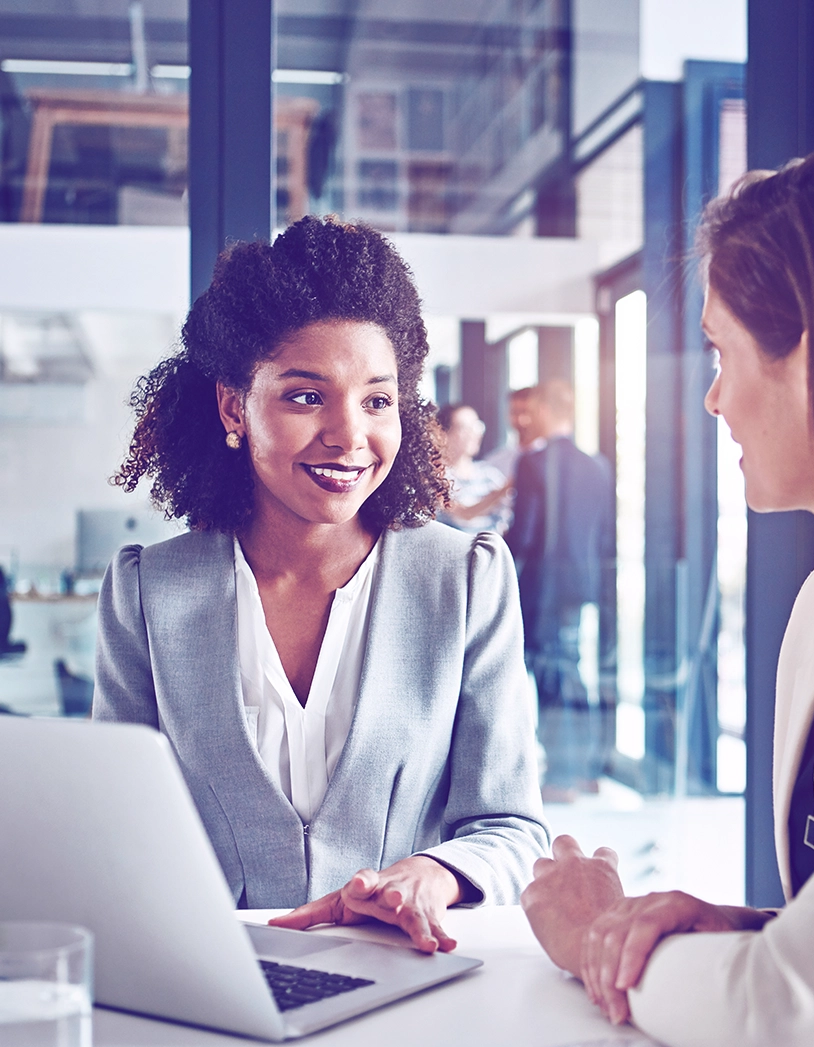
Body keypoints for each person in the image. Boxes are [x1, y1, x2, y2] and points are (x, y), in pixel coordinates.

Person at [521, 145, 814, 1047]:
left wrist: (592, 931)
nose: (713, 400)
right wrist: (761, 931)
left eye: (723, 355)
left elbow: (786, 1027)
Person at [94, 215, 549, 954]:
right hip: (216, 981)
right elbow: (117, 830)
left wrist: (437, 874)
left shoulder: (463, 581)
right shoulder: (150, 594)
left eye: (377, 400)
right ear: (233, 406)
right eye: (307, 396)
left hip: (408, 978)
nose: (349, 435)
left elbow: (513, 827)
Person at [505, 380, 615, 801]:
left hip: (542, 582)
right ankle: (588, 766)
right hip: (582, 583)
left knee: (549, 670)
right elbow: (603, 533)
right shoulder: (598, 466)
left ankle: (560, 775)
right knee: (573, 669)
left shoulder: (533, 463)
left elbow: (526, 531)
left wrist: (497, 556)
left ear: (547, 412)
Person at [435, 403, 511, 533]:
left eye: (476, 427)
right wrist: (504, 489)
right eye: (464, 428)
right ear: (443, 434)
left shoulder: (490, 475)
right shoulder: (438, 478)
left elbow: (508, 518)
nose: (473, 434)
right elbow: (464, 514)